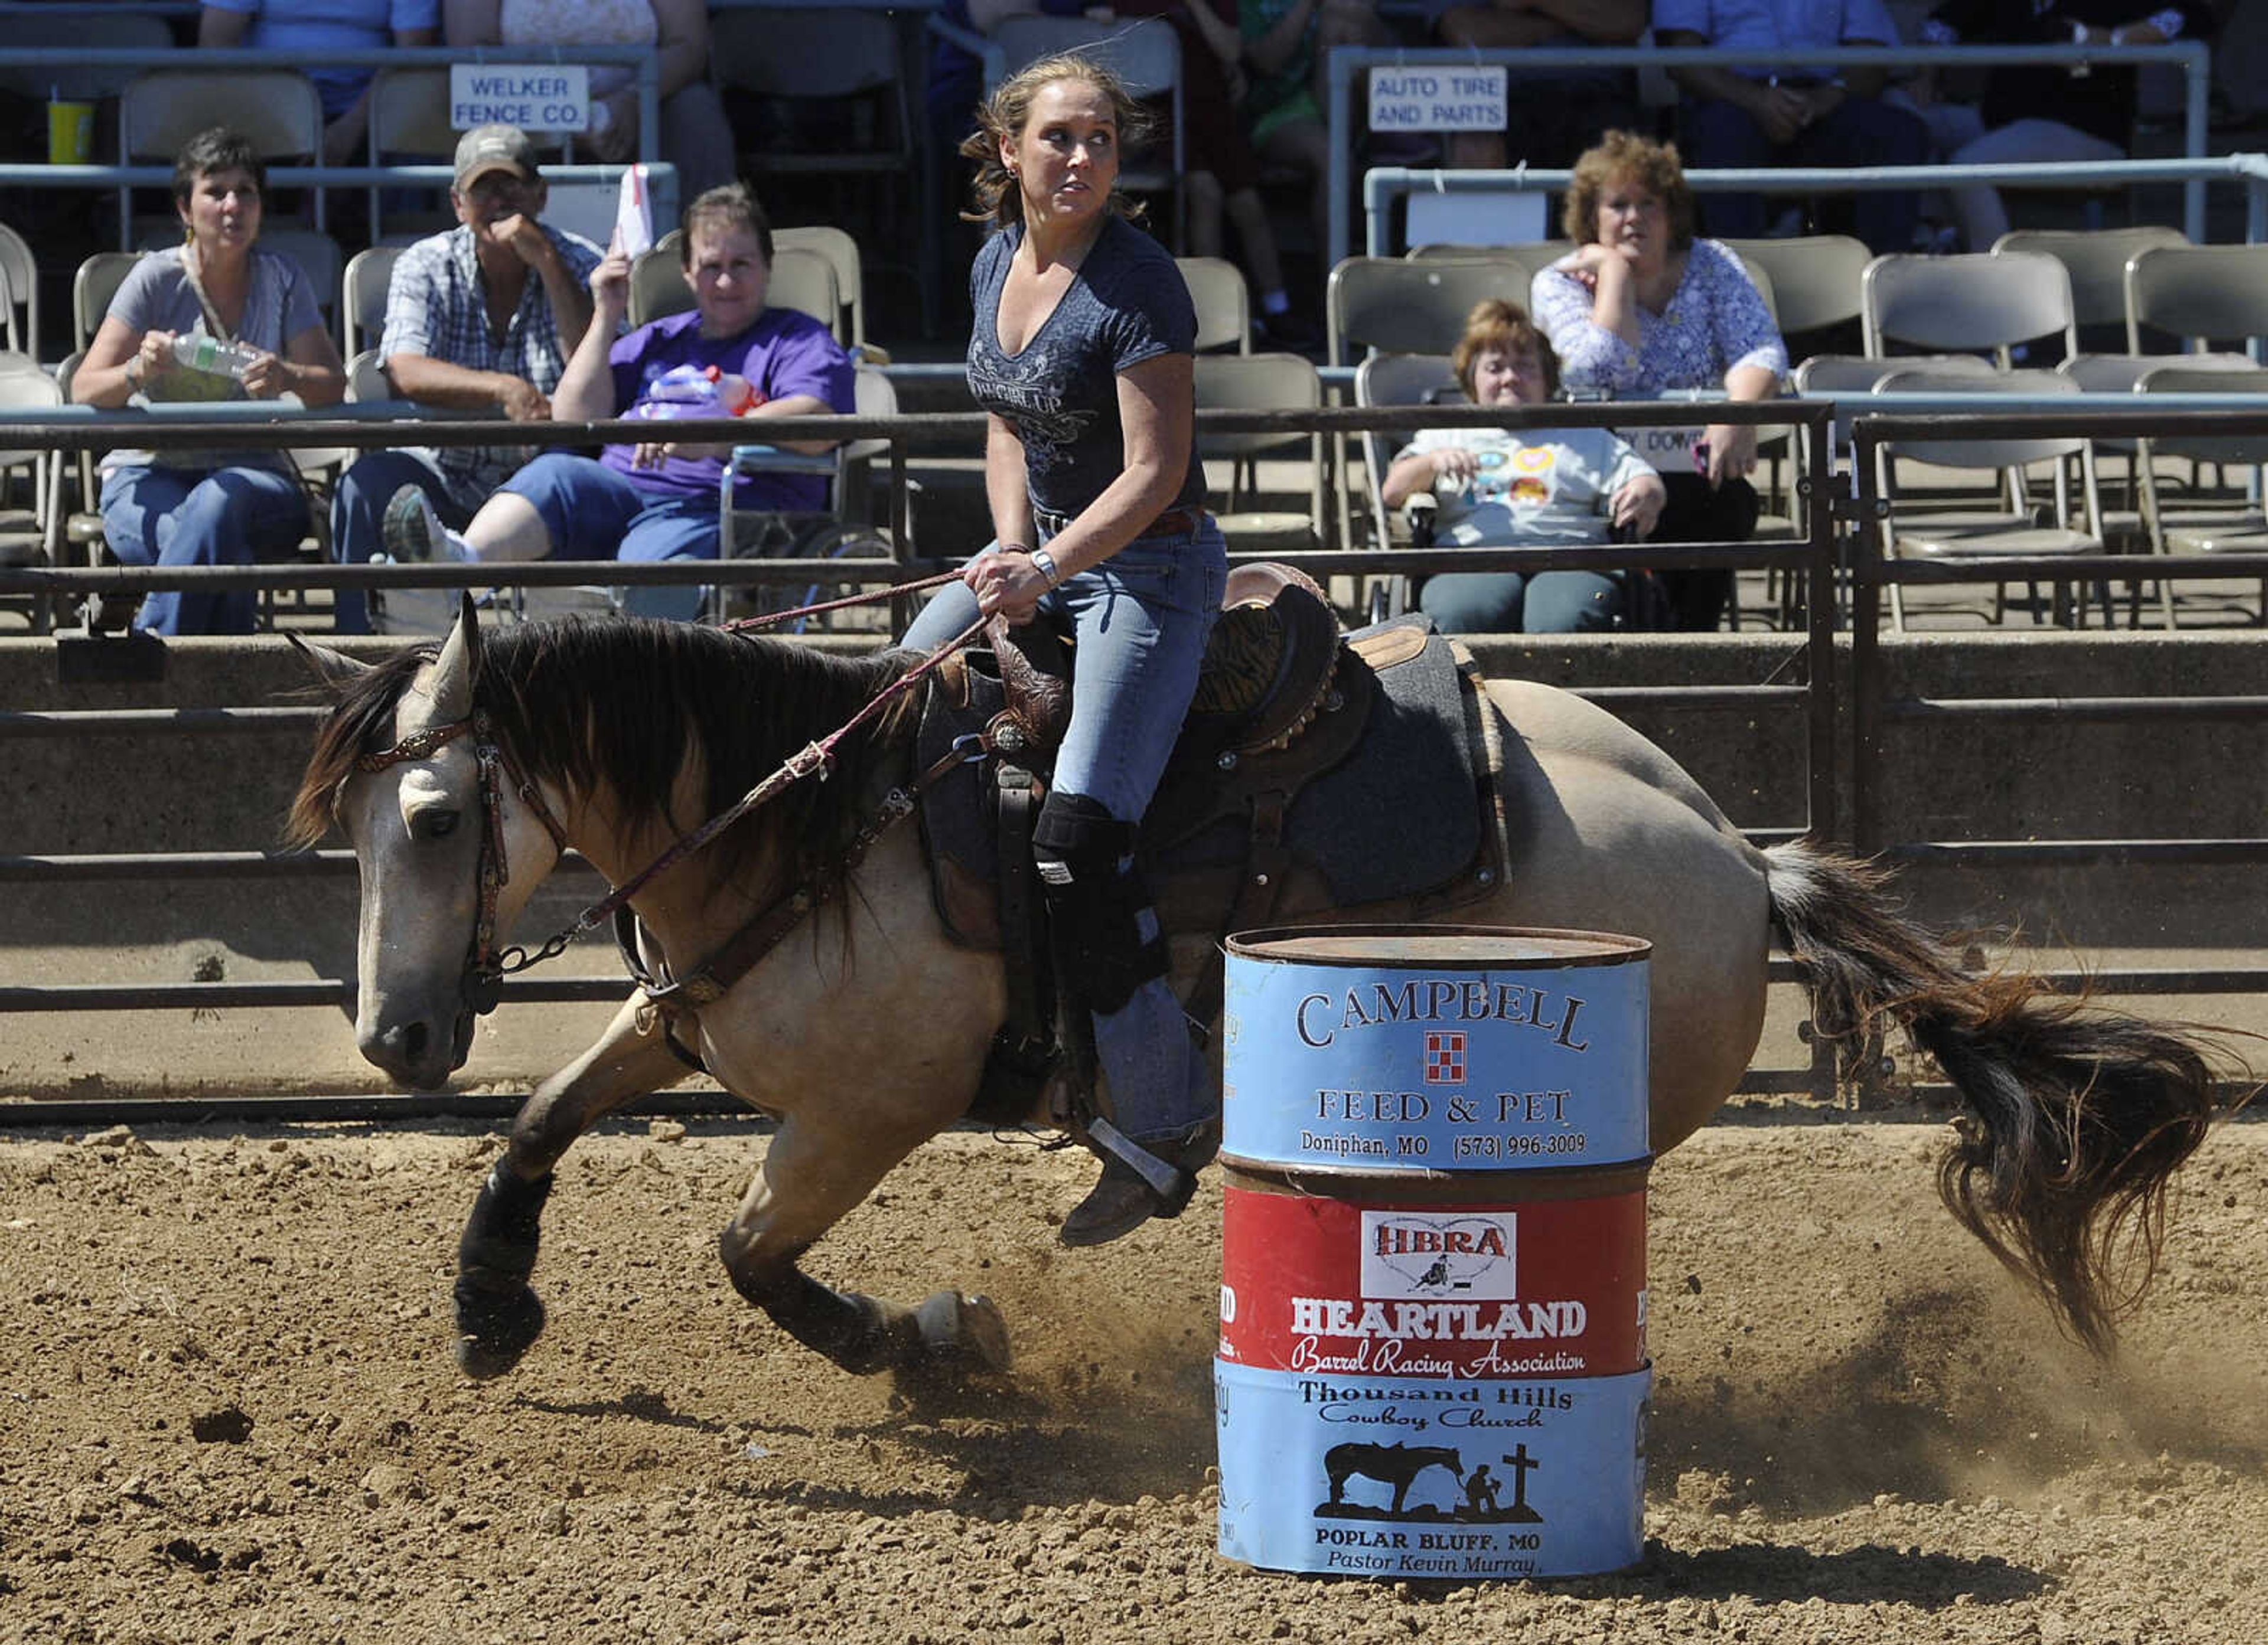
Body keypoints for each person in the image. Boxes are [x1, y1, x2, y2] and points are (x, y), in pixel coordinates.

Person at [900, 53, 1227, 1245]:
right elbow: (1006, 418)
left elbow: (1156, 474)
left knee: (1083, 834)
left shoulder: (1141, 286)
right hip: (1044, 559)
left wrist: (1044, 566)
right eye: (1058, 139)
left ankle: (1166, 1110)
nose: (1080, 158)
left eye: (1099, 140)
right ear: (1006, 148)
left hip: (1149, 574)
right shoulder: (998, 259)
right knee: (894, 697)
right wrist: (1003, 546)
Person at [380, 182, 852, 622]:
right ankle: (454, 574)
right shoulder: (659, 338)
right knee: (556, 472)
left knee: (645, 570)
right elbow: (572, 417)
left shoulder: (797, 338)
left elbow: (819, 421)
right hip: (617, 489)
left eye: (741, 265)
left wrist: (713, 435)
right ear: (688, 272)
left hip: (714, 507)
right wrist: (606, 314)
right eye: (711, 266)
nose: (726, 282)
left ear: (768, 267)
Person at [71, 127, 346, 637]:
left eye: (246, 192)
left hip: (256, 481)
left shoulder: (284, 278)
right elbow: (84, 388)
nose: (232, 205)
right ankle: (219, 690)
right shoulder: (154, 277)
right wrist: (139, 371)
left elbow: (332, 383)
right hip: (146, 477)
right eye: (216, 191)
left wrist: (288, 375)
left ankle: (148, 654)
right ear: (184, 209)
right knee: (222, 555)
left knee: (219, 502)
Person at [328, 124, 602, 634]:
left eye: (512, 184)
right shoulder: (425, 263)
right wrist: (504, 389)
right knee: (364, 486)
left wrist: (545, 262)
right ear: (458, 203)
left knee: (587, 481)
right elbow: (404, 369)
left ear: (540, 196)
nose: (498, 199)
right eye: (483, 187)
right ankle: (360, 665)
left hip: (542, 485)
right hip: (443, 474)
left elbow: (599, 361)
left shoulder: (582, 260)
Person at [1530, 130, 1788, 632]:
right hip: (1598, 467)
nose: (1633, 218)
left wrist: (1736, 413)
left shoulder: (1713, 265)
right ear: (1591, 218)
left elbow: (1760, 348)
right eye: (1618, 205)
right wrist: (1616, 277)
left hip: (1695, 462)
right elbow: (1596, 370)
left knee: (1729, 503)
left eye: (1648, 203)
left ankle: (1694, 653)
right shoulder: (1559, 281)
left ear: (1671, 213)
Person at [1379, 299, 1665, 634]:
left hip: (1571, 556)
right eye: (1495, 368)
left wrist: (1645, 492)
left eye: (1525, 366)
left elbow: (1645, 480)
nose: (1511, 378)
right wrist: (1431, 463)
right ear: (1472, 378)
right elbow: (1393, 491)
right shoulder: (1447, 430)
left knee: (1560, 620)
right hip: (1471, 558)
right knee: (1465, 613)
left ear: (1548, 378)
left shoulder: (1583, 432)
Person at [1914, 2, 2216, 253]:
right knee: (1906, 119)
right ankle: (1934, 233)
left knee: (1969, 166)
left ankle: (1997, 283)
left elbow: (2190, 14)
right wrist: (1925, 76)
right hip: (1998, 123)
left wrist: (2117, 39)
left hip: (2085, 134)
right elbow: (1942, 23)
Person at [1654, 0, 1931, 254]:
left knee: (1899, 132)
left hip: (1823, 103)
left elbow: (1871, 50)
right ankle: (1738, 287)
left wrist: (1826, 97)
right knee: (1721, 133)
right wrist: (1756, 100)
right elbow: (1682, 56)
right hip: (1730, 101)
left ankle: (1883, 286)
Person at [444, 0, 738, 203]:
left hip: (646, 107)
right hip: (524, 114)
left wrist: (634, 100)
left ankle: (700, 258)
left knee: (697, 116)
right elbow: (473, 50)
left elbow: (688, 44)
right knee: (485, 140)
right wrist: (562, 115)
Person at [198, 0, 439, 167]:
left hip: (373, 111)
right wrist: (274, 123)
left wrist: (351, 129)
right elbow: (216, 41)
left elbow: (413, 51)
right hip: (264, 109)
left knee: (415, 138)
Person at [1433, 1, 1646, 173]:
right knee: (1475, 143)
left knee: (1624, 160)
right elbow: (1469, 34)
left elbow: (1627, 20)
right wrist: (1574, 22)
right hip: (1500, 100)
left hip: (1598, 96)